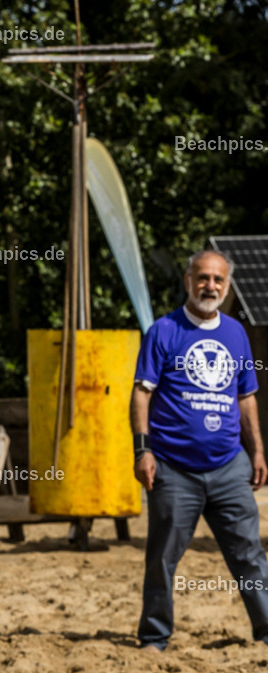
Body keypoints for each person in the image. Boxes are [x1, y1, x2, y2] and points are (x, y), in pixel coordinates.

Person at [132, 249, 268, 651]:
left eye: (218, 280)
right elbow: (141, 395)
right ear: (188, 281)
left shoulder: (236, 334)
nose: (210, 285)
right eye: (202, 277)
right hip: (173, 468)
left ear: (227, 287)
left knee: (251, 557)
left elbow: (246, 397)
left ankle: (266, 630)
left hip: (229, 467)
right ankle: (155, 637)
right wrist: (143, 450)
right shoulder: (163, 331)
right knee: (162, 559)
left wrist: (257, 451)